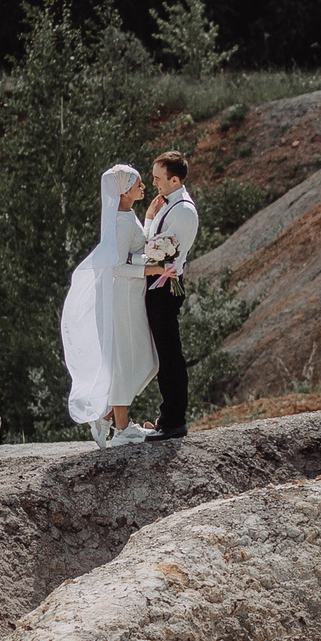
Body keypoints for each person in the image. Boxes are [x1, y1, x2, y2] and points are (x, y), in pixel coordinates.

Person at [62, 163, 157, 446]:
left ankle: (106, 417)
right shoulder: (120, 222)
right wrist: (149, 270)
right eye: (139, 184)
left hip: (129, 297)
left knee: (137, 359)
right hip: (123, 301)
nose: (144, 188)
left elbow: (135, 248)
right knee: (128, 358)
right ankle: (122, 426)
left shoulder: (127, 215)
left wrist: (150, 220)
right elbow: (116, 267)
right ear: (125, 191)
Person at [140, 149, 200, 440]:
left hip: (166, 286)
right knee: (165, 354)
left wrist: (149, 223)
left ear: (175, 180)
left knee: (170, 354)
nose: (154, 184)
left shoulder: (184, 211)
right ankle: (168, 415)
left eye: (158, 178)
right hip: (157, 285)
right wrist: (151, 216)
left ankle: (174, 420)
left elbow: (156, 252)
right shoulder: (167, 204)